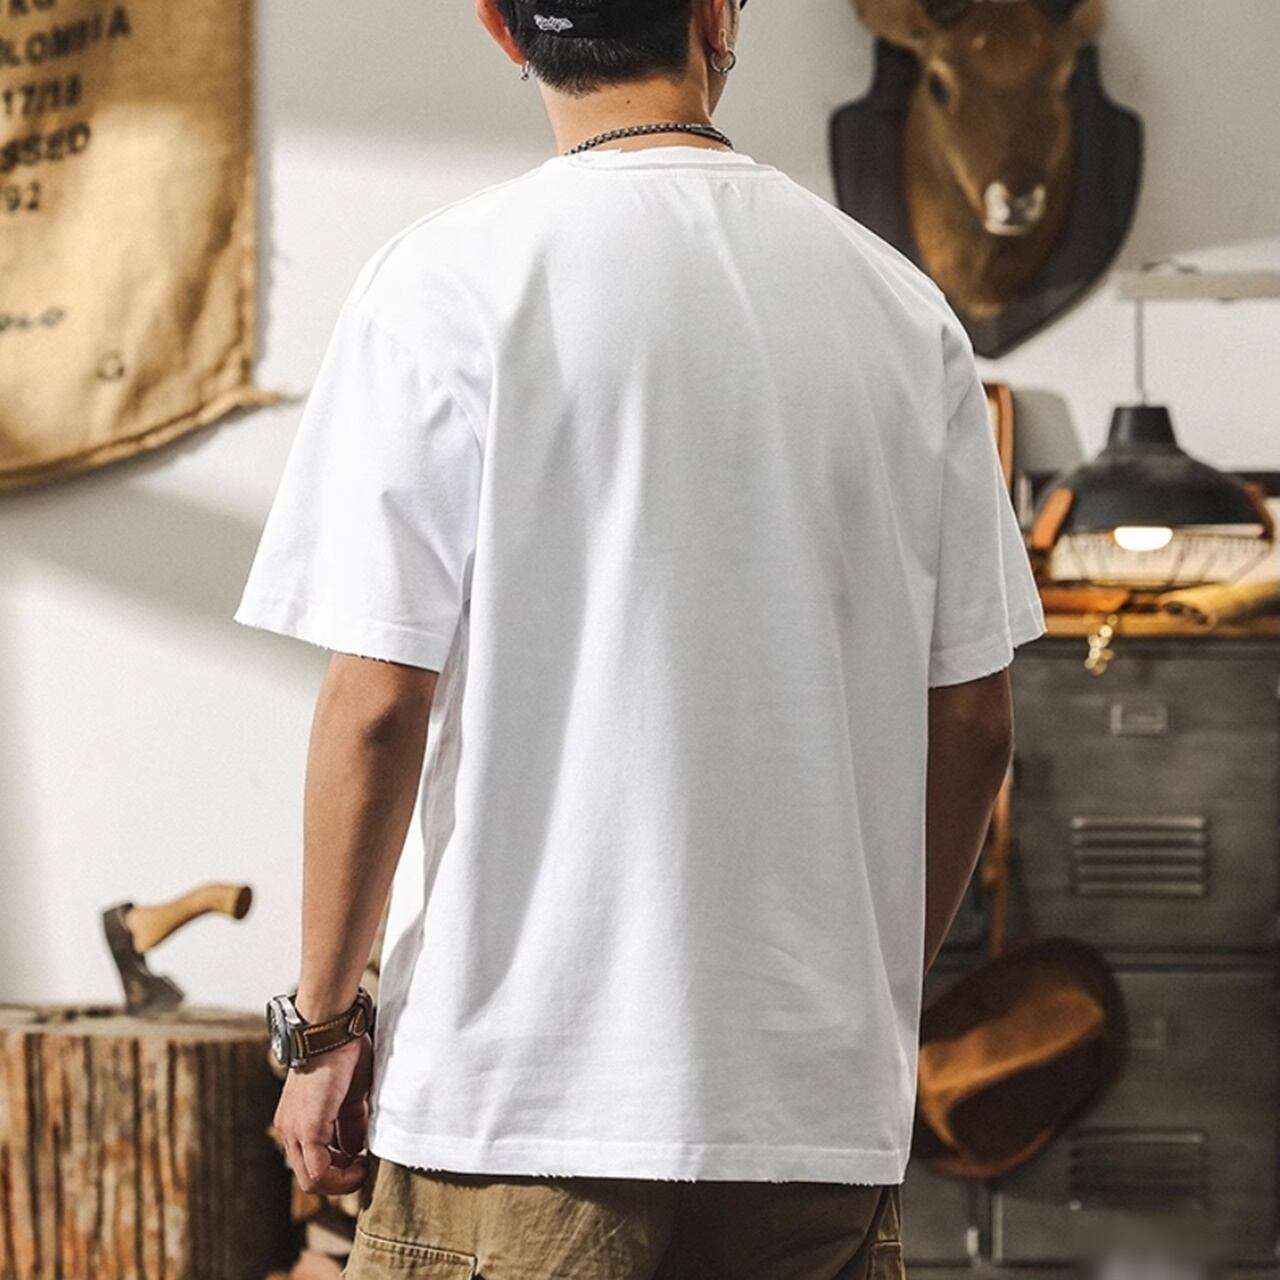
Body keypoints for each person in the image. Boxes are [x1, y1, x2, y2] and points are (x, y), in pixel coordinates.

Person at [235, 0, 1045, 1275]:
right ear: (716, 14)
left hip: (521, 1103)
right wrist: (869, 996)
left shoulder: (445, 284)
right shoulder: (900, 310)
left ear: (501, 28)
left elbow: (378, 701)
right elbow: (976, 721)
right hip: (811, 1114)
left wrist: (324, 1027)